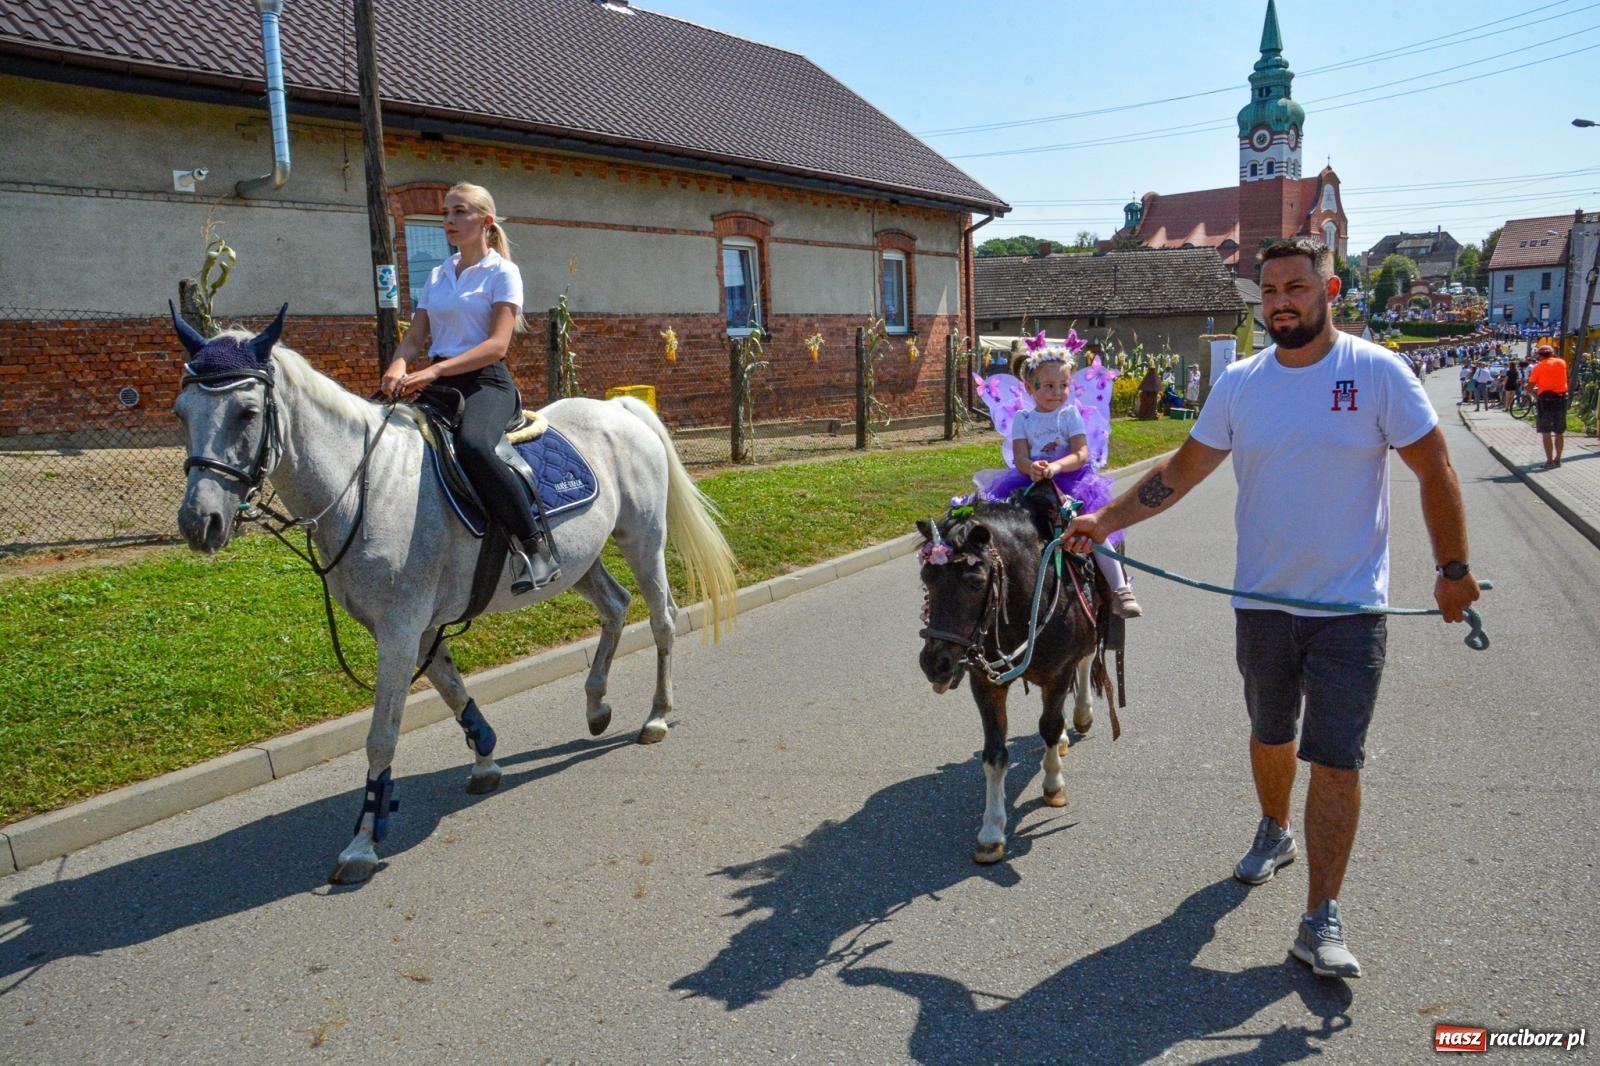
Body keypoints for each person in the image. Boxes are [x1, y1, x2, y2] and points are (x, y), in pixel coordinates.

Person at [1065, 237, 1479, 978]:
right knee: (1269, 733)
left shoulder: (1377, 373)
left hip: (1351, 610)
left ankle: (1321, 915)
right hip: (1260, 604)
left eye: (1296, 285)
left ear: (1331, 287)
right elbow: (1181, 471)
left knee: (1338, 758)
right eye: (1271, 290)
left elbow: (1434, 469)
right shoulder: (1243, 385)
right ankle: (1274, 827)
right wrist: (1106, 520)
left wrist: (1453, 570)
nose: (1282, 300)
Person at [380, 182, 561, 592]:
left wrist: (434, 373)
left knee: (475, 445)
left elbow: (497, 345)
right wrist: (398, 364)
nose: (449, 220)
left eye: (460, 212)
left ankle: (535, 549)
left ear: (486, 221)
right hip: (440, 383)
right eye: (446, 212)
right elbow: (415, 338)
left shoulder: (503, 272)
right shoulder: (437, 275)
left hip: (485, 383)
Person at [975, 351, 1142, 617]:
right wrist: (1031, 467)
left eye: (1063, 386)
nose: (1057, 392)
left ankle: (1120, 590)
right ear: (1030, 388)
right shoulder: (1023, 420)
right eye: (1049, 386)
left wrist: (1055, 466)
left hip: (1071, 481)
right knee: (1008, 529)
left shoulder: (1070, 415)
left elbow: (1081, 454)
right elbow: (1019, 457)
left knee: (1093, 528)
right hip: (1030, 482)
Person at [1525, 343, 1569, 469]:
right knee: (1559, 432)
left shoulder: (1539, 366)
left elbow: (1530, 386)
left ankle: (1549, 461)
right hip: (1561, 399)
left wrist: (1534, 394)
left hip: (1546, 400)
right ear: (1552, 353)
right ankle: (1558, 459)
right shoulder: (1562, 363)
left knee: (1546, 431)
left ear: (1540, 356)